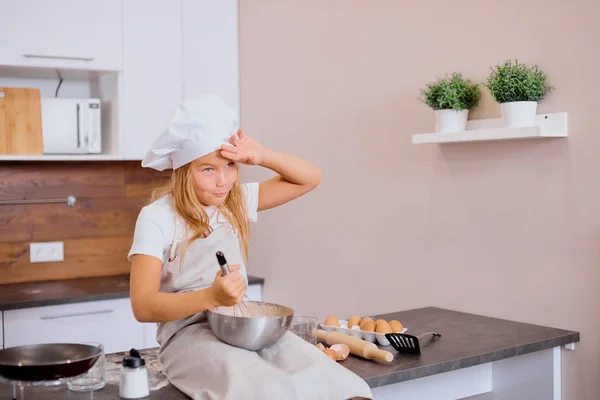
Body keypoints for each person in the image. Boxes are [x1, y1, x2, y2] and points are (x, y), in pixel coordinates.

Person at [127, 95, 373, 400]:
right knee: (265, 389)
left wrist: (260, 154)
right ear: (183, 171)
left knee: (334, 381)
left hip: (243, 322)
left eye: (229, 165)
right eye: (207, 169)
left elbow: (309, 178)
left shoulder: (236, 202)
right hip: (187, 337)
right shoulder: (157, 217)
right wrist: (210, 297)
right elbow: (143, 305)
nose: (222, 181)